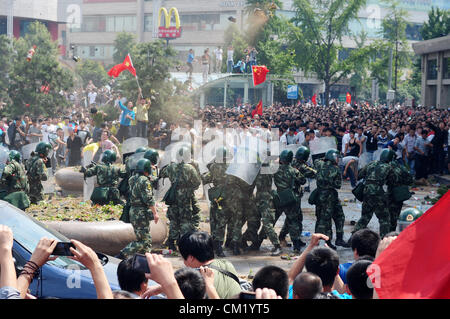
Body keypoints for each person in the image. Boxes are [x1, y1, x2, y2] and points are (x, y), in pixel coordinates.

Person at [158, 146, 201, 250]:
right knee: (185, 219)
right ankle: (184, 242)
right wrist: (189, 188)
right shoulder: (190, 168)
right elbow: (197, 182)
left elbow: (162, 174)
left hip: (173, 196)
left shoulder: (171, 167)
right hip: (186, 197)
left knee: (174, 219)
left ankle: (172, 242)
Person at [177, 231, 242, 299]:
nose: (184, 262)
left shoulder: (195, 281)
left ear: (191, 258)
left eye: (183, 258)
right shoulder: (227, 264)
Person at [118, 158, 159, 259]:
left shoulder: (132, 178)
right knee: (144, 241)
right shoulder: (144, 181)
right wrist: (155, 213)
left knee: (145, 239)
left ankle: (144, 260)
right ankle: (123, 254)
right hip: (141, 213)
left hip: (133, 211)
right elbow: (148, 199)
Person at [352, 149, 393, 238]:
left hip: (366, 191)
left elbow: (359, 175)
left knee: (365, 217)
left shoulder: (372, 163)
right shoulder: (389, 167)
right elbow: (392, 181)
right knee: (384, 218)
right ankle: (383, 239)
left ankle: (353, 237)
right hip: (378, 193)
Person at [313, 149, 349, 249]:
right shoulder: (336, 169)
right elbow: (338, 185)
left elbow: (316, 160)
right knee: (339, 217)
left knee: (324, 218)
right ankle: (336, 240)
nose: (338, 160)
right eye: (337, 157)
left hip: (320, 195)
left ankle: (328, 241)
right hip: (331, 196)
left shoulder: (319, 164)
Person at [201, 147, 232, 257]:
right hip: (226, 197)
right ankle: (219, 246)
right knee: (222, 222)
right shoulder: (230, 167)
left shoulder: (214, 167)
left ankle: (214, 244)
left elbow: (205, 179)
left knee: (214, 220)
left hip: (215, 196)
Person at [274, 150, 306, 253]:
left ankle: (258, 241)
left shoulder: (275, 169)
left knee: (271, 220)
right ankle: (296, 244)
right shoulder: (294, 171)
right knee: (293, 221)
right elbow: (303, 180)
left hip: (280, 197)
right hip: (291, 198)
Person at [386, 151, 414, 232]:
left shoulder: (387, 166)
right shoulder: (402, 167)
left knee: (388, 213)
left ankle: (387, 233)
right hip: (400, 194)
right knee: (396, 214)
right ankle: (393, 231)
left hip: (390, 193)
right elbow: (410, 180)